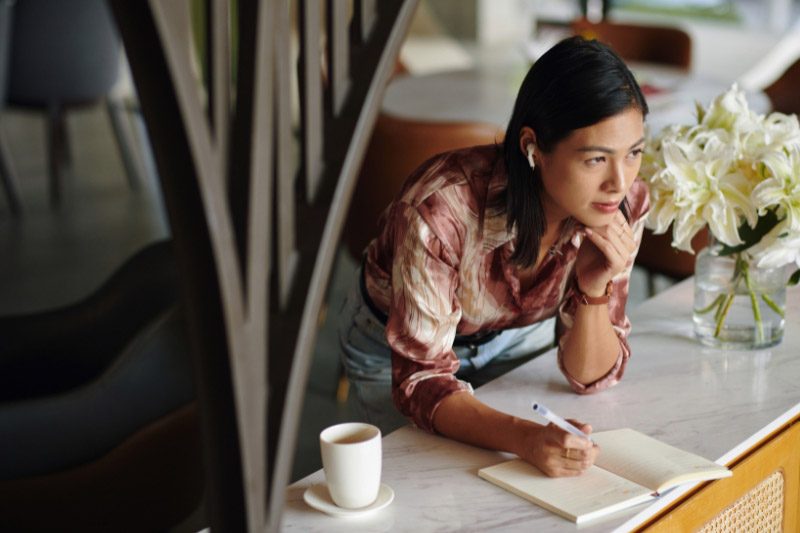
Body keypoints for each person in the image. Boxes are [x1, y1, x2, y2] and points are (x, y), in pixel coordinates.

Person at [338, 36, 649, 478]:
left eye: (634, 152)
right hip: (397, 347)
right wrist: (525, 438)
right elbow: (420, 380)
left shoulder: (622, 205)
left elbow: (592, 377)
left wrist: (594, 288)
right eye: (596, 159)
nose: (619, 182)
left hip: (516, 337)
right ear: (532, 148)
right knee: (418, 492)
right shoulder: (440, 210)